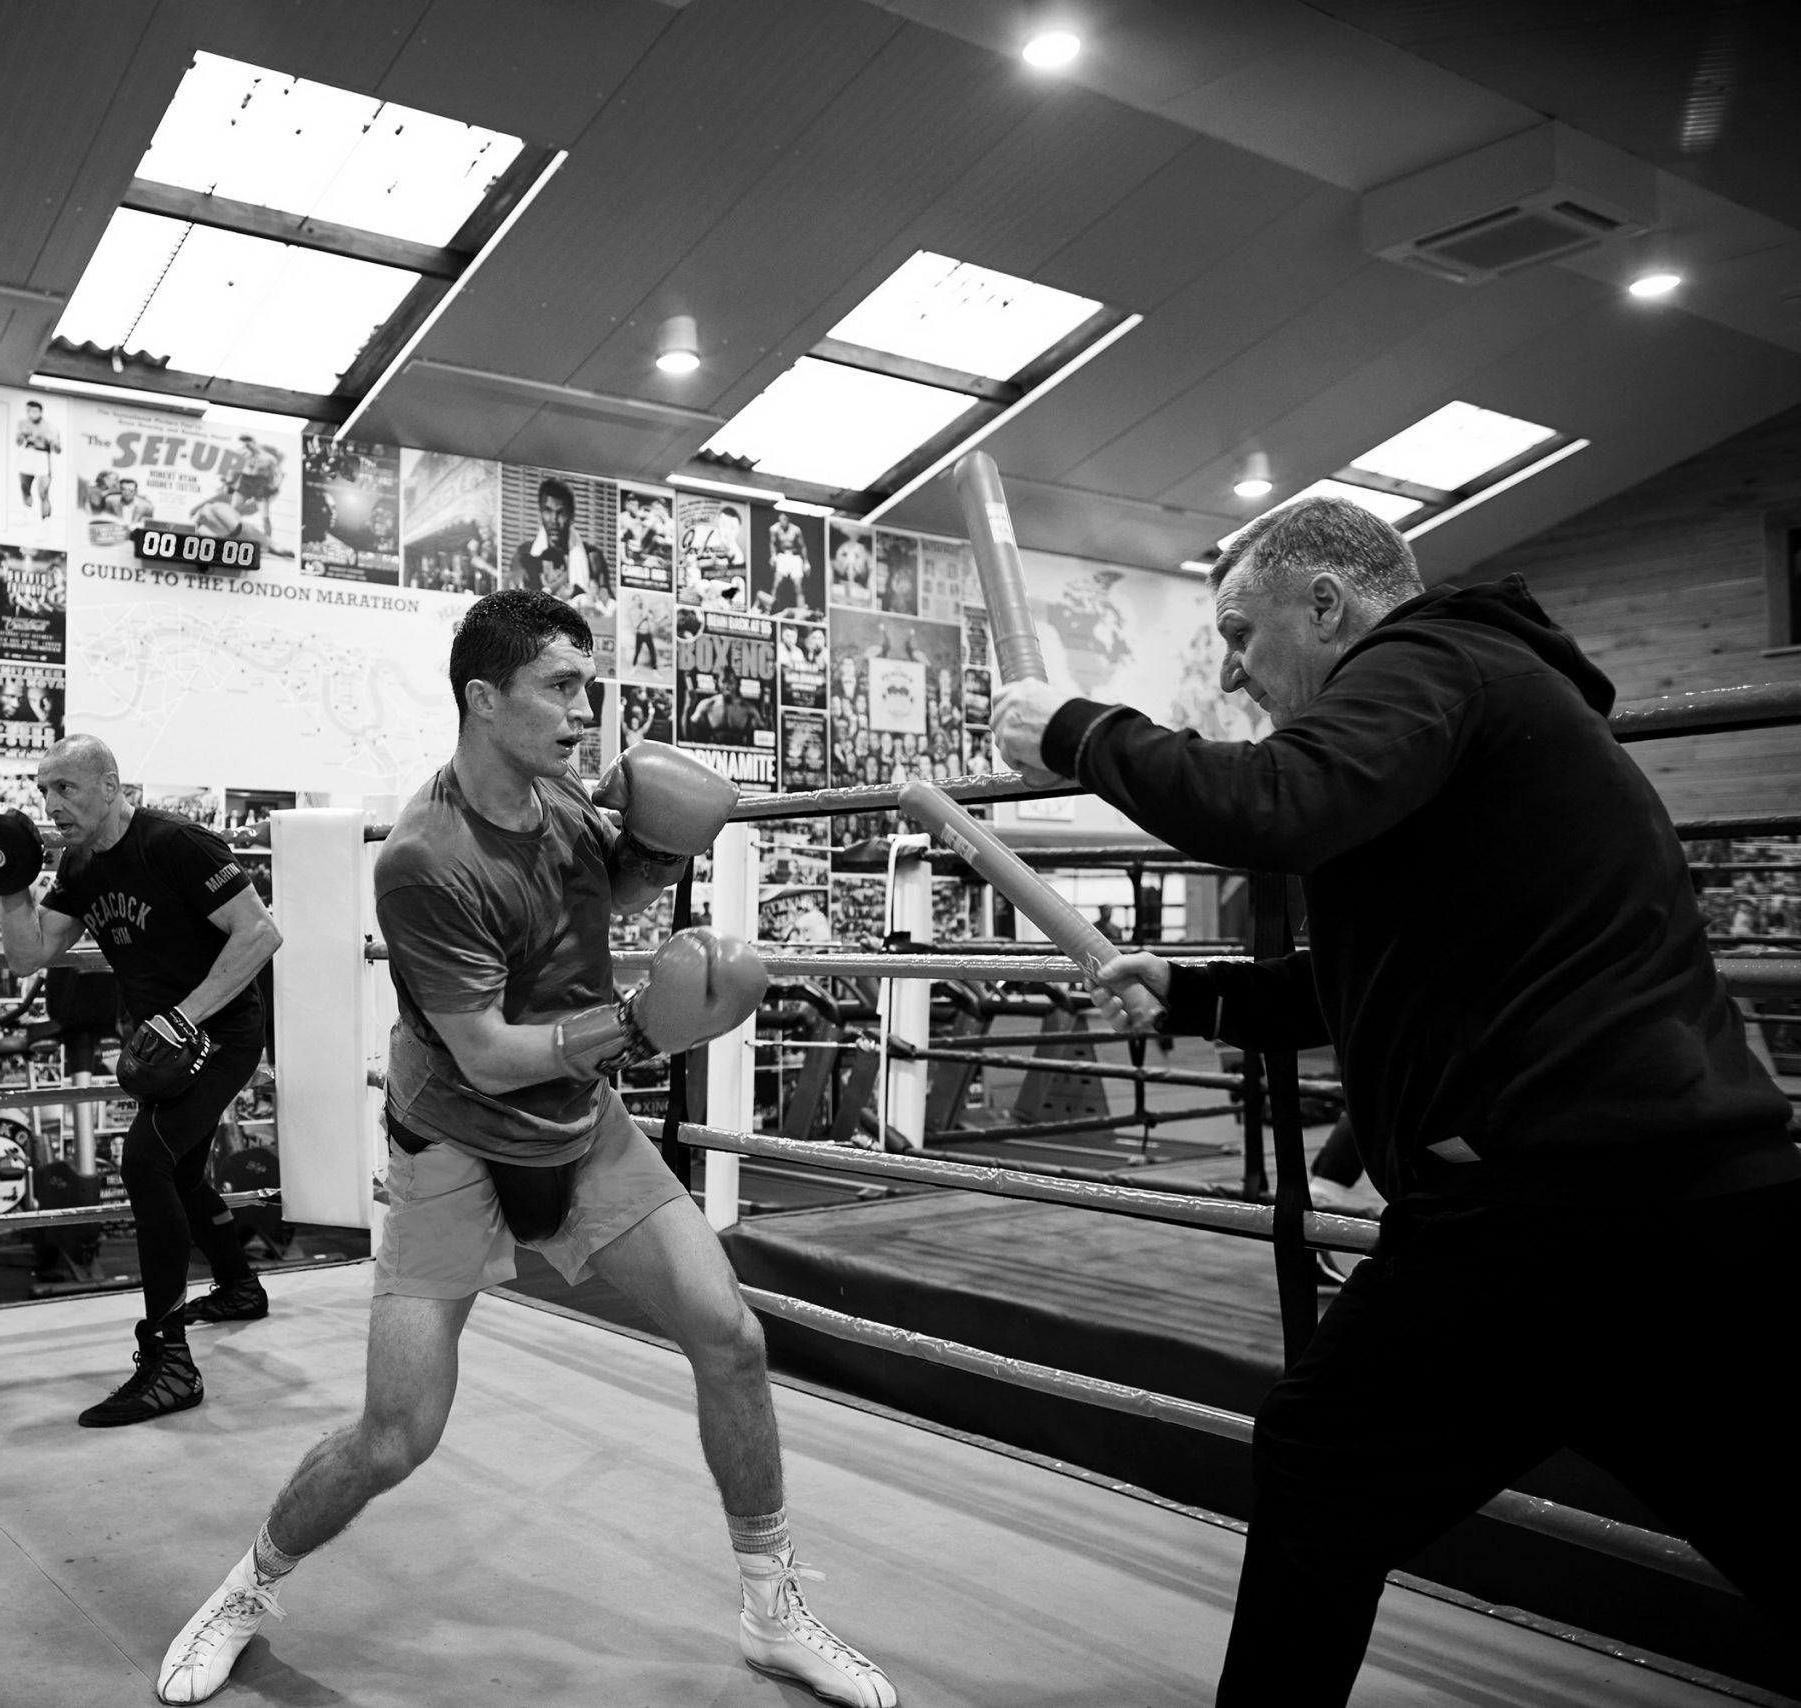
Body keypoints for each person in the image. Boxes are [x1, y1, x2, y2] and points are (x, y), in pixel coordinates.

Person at [988, 495, 1801, 1704]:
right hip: (1662, 1205)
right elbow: (1375, 972)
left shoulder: (1432, 657)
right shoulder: (1468, 712)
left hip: (1562, 1212)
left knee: (1321, 1459)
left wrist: (1075, 730)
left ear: (1330, 605)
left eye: (1241, 631)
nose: (1232, 668)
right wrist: (1197, 994)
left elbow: (1266, 804)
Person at [153, 590, 893, 1706]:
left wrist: (648, 848)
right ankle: (245, 1589)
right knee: (396, 1435)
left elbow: (608, 901)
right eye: (560, 687)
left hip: (579, 1128)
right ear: (482, 698)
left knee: (730, 1337)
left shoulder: (563, 803)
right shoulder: (420, 858)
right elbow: (490, 1054)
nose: (584, 712)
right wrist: (644, 1024)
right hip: (457, 1141)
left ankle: (771, 1607)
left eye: (588, 688)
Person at [0, 735, 282, 1425]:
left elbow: (259, 934)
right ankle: (238, 1287)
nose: (52, 804)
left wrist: (183, 1016)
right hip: (167, 1044)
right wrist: (6, 880)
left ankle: (168, 1362)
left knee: (146, 1160)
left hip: (222, 1032)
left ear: (111, 785)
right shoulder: (82, 864)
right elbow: (29, 955)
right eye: (43, 791)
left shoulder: (176, 844)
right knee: (177, 1170)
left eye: (66, 788)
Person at [15, 399, 59, 520]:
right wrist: (22, 436)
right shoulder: (22, 424)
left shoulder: (49, 427)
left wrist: (53, 443)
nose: (32, 414)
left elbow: (58, 449)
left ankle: (46, 521)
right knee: (24, 487)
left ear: (40, 412)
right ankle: (27, 514)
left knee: (43, 492)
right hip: (28, 454)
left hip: (43, 457)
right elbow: (18, 442)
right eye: (30, 411)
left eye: (35, 411)